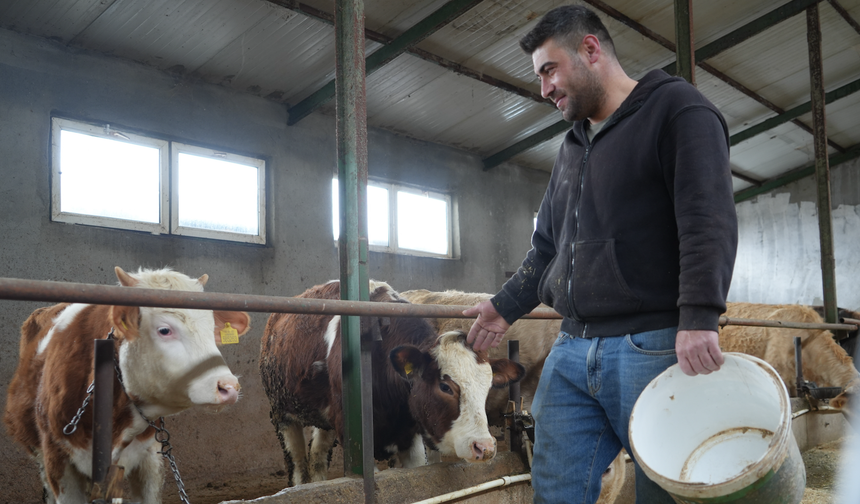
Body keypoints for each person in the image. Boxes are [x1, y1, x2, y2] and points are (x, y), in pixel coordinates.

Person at [464, 5, 738, 503]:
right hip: (572, 347)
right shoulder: (573, 146)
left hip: (651, 345)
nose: (544, 88)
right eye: (539, 76)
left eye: (549, 70)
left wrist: (700, 316)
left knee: (665, 490)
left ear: (590, 49)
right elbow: (548, 246)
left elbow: (707, 219)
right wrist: (503, 306)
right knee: (555, 491)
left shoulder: (678, 110)